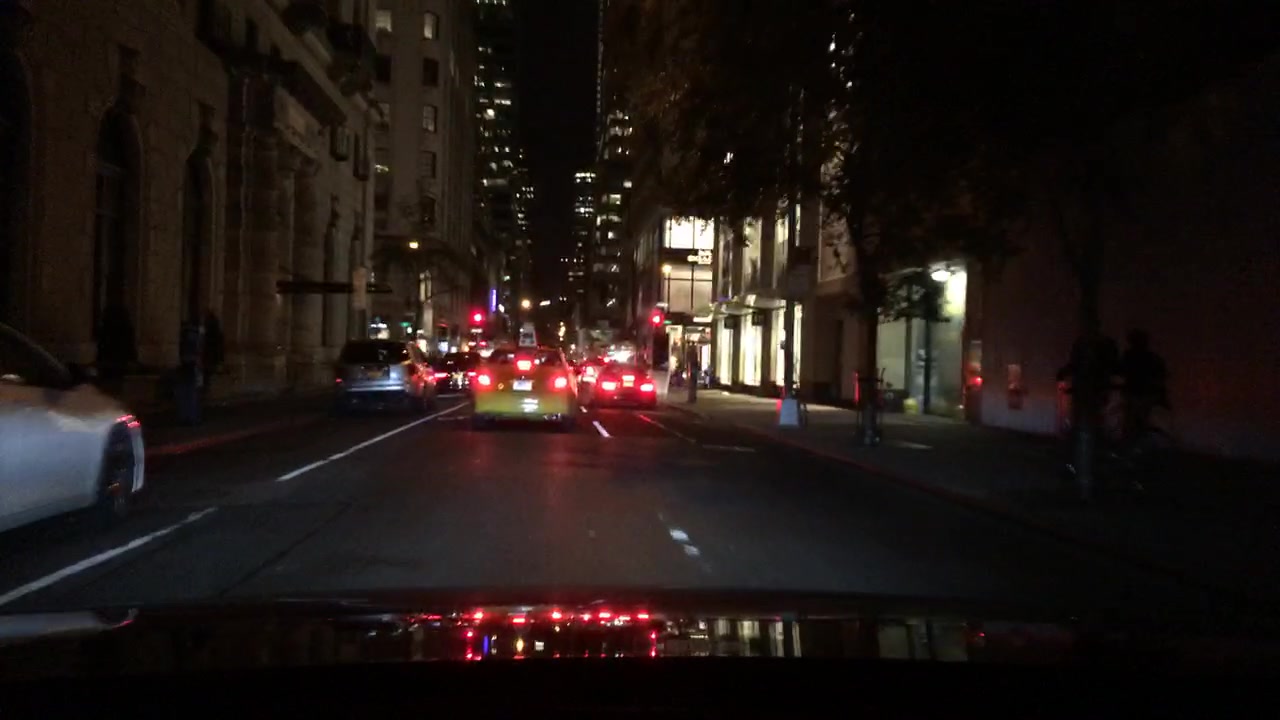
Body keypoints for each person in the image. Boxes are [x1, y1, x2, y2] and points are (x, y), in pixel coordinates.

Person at [1118, 329, 1168, 446]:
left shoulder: (1129, 356)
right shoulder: (1151, 357)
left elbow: (1121, 371)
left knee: (1132, 422)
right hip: (1142, 394)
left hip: (1136, 393)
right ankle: (1137, 445)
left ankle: (1132, 446)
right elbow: (1161, 376)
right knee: (1138, 422)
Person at [202, 310, 224, 400]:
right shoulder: (218, 333)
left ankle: (206, 388)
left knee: (206, 371)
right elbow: (220, 346)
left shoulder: (207, 333)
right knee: (208, 372)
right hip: (212, 355)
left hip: (208, 354)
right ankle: (206, 388)